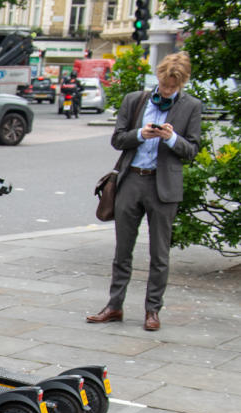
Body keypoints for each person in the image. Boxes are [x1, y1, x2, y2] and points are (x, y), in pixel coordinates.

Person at [87, 52, 202, 332]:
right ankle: (114, 306)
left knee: (159, 253)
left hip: (163, 186)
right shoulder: (135, 100)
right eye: (164, 84)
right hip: (132, 181)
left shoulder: (191, 106)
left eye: (173, 87)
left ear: (182, 83)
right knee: (122, 249)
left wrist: (171, 137)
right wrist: (141, 134)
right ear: (158, 77)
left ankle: (153, 311)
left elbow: (192, 151)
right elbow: (118, 139)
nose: (167, 90)